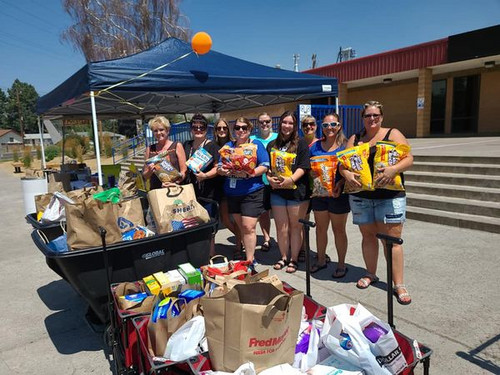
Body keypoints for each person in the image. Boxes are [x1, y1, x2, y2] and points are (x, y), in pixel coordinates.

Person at [339, 100, 413, 305]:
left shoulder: (393, 134)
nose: (372, 119)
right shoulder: (355, 138)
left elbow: (409, 158)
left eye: (376, 115)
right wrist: (346, 175)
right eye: (368, 115)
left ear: (382, 117)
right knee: (368, 236)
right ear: (362, 118)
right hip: (362, 197)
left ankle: (399, 284)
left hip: (389, 197)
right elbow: (342, 165)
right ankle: (371, 273)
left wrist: (393, 169)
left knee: (392, 241)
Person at [217, 117, 270, 263]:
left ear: (249, 130)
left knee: (248, 227)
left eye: (244, 128)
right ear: (233, 130)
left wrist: (250, 173)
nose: (240, 130)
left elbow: (265, 165)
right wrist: (223, 171)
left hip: (252, 192)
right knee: (241, 227)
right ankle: (247, 253)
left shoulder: (256, 144)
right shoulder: (228, 146)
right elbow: (220, 167)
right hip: (233, 193)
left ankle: (249, 260)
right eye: (237, 128)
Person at [267, 111, 311, 274]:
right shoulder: (272, 144)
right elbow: (268, 167)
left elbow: (304, 166)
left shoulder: (301, 144)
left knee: (295, 227)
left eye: (290, 123)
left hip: (296, 193)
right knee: (281, 227)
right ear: (280, 124)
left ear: (294, 126)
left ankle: (294, 259)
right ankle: (283, 256)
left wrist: (291, 180)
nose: (287, 126)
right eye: (284, 122)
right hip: (278, 192)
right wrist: (269, 178)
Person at [309, 113, 350, 278]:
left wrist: (339, 184)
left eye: (333, 124)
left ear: (339, 126)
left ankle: (341, 264)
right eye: (325, 125)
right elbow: (309, 169)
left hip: (339, 194)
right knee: (320, 229)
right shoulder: (315, 146)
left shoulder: (346, 146)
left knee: (338, 230)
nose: (329, 128)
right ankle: (321, 260)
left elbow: (351, 170)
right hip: (319, 194)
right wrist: (312, 175)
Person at [183, 114, 221, 255]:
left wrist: (205, 176)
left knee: (208, 224)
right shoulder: (186, 145)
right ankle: (195, 253)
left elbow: (217, 167)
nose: (198, 130)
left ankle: (210, 254)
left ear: (207, 129)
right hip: (190, 192)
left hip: (208, 193)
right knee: (191, 223)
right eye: (195, 127)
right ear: (191, 129)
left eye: (202, 127)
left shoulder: (212, 146)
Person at [213, 118, 243, 254]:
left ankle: (238, 245)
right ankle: (241, 239)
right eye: (219, 128)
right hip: (217, 186)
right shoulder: (212, 145)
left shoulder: (234, 144)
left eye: (224, 128)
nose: (221, 130)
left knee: (233, 218)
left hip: (232, 185)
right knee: (225, 220)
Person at [250, 112, 277, 252]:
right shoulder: (251, 139)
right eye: (261, 122)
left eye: (267, 121)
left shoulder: (278, 137)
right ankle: (267, 239)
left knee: (279, 214)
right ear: (257, 124)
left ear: (271, 122)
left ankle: (283, 239)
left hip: (278, 182)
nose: (264, 124)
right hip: (261, 182)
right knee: (264, 213)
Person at [143, 115, 187, 189]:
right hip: (156, 191)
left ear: (167, 130)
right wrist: (150, 171)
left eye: (161, 129)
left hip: (174, 189)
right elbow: (145, 176)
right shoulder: (150, 149)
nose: (158, 133)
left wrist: (175, 182)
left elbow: (184, 171)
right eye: (155, 131)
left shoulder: (177, 146)